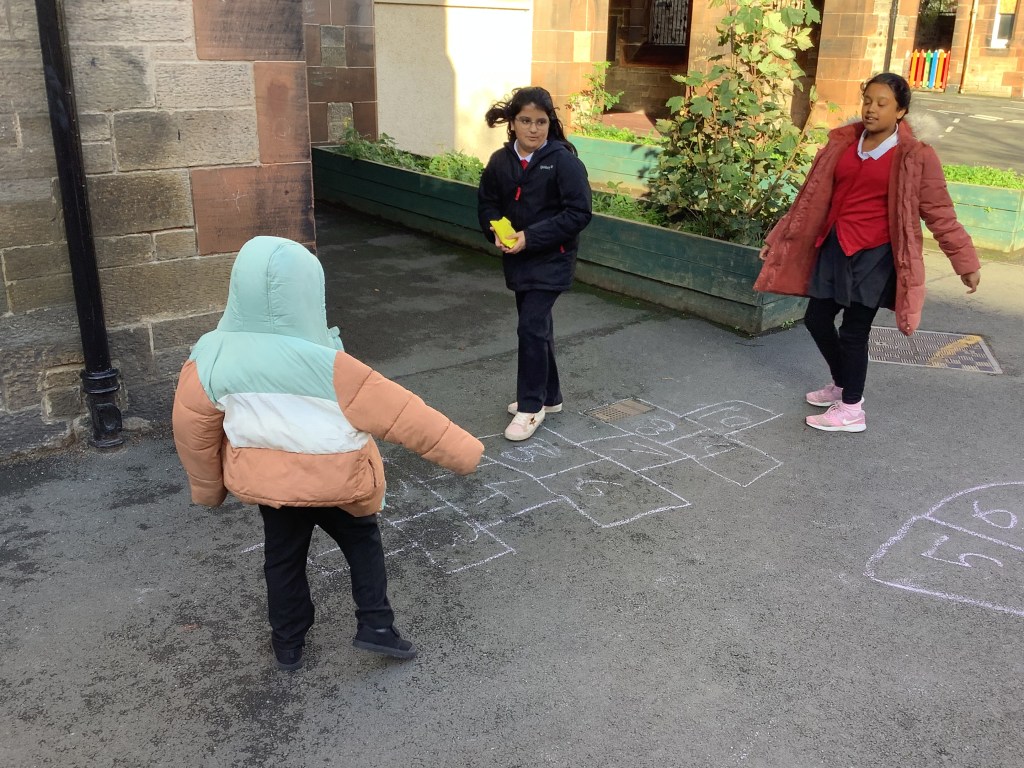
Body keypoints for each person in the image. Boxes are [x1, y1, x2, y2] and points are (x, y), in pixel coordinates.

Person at [172, 236, 484, 671]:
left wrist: (208, 488)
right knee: (363, 544)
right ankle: (376, 625)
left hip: (272, 485)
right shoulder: (333, 365)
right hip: (340, 481)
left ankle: (287, 644)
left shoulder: (211, 355)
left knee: (282, 559)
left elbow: (192, 427)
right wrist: (464, 453)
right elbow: (403, 414)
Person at [754, 72, 981, 433]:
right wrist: (777, 237)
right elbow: (809, 199)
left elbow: (940, 212)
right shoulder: (844, 143)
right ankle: (843, 383)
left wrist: (965, 262)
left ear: (901, 111)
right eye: (868, 101)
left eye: (882, 104)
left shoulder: (915, 156)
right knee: (816, 319)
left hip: (876, 255)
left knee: (854, 331)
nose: (871, 109)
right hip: (835, 247)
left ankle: (851, 409)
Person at [477, 86, 593, 442]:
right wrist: (496, 231)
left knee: (530, 327)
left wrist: (531, 236)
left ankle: (530, 407)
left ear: (549, 123)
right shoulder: (500, 161)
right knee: (538, 327)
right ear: (512, 123)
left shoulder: (563, 161)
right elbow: (487, 203)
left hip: (553, 258)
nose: (533, 129)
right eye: (525, 120)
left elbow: (579, 212)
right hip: (518, 258)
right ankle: (550, 397)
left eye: (541, 122)